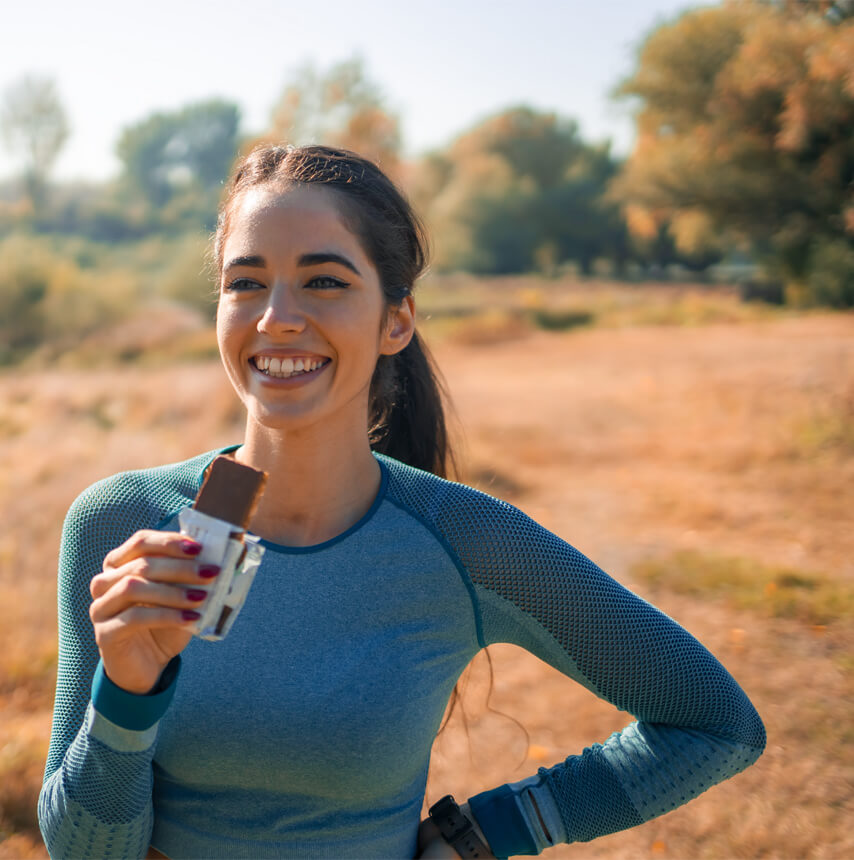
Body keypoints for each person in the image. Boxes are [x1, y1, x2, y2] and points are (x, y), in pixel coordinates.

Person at [37, 145, 765, 859]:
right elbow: (82, 853)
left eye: (324, 281)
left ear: (397, 321)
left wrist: (496, 831)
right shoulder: (120, 525)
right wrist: (127, 692)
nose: (276, 317)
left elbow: (716, 725)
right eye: (246, 282)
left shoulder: (467, 541)